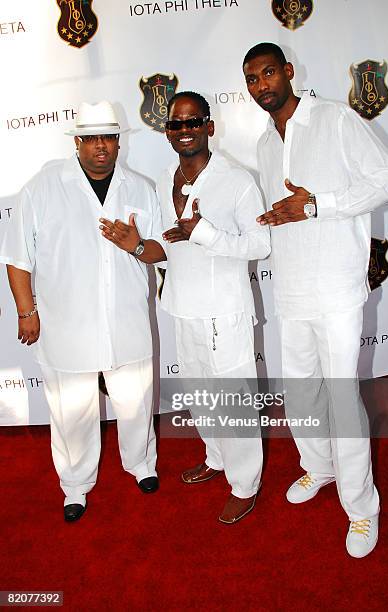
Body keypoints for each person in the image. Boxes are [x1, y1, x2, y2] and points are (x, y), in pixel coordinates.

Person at [243, 43, 388, 556]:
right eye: (251, 78)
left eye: (268, 73)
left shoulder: (335, 119)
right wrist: (278, 217)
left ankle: (361, 510)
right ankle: (319, 467)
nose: (260, 85)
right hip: (291, 289)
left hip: (337, 287)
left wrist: (320, 205)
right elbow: (289, 210)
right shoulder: (264, 144)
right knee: (301, 394)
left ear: (290, 72)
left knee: (340, 396)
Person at [101, 91, 271, 523]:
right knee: (202, 398)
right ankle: (215, 458)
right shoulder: (163, 181)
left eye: (193, 122)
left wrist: (206, 234)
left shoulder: (237, 179)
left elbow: (260, 244)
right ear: (166, 132)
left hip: (224, 313)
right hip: (181, 307)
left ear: (209, 127)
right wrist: (135, 245)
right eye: (175, 124)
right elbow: (165, 248)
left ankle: (245, 483)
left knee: (234, 402)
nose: (184, 131)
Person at [0, 101, 165, 522]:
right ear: (77, 142)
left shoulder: (140, 187)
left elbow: (163, 249)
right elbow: (18, 257)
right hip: (66, 325)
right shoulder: (44, 186)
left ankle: (141, 464)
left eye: (108, 138)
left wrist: (136, 245)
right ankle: (75, 485)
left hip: (125, 319)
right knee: (71, 412)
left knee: (136, 402)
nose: (100, 148)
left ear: (118, 141)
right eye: (90, 139)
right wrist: (26, 312)